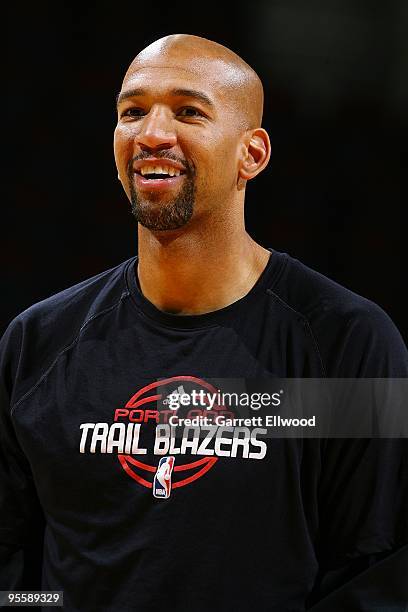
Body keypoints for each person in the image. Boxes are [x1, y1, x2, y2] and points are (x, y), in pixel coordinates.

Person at [1, 34, 407, 611]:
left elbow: (379, 569)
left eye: (189, 111)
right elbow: (13, 564)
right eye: (132, 112)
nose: (152, 134)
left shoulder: (345, 341)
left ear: (253, 154)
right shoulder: (38, 343)